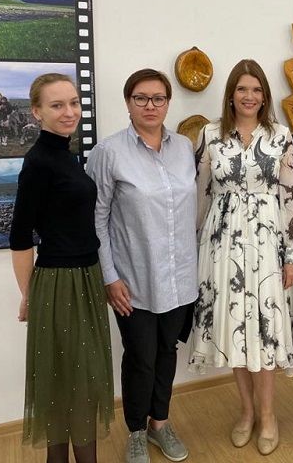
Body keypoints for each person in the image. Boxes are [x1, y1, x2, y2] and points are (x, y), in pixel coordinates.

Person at [188, 59, 293, 456]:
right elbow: (201, 194)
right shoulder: (210, 134)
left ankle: (268, 415)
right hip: (221, 245)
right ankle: (247, 411)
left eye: (256, 90)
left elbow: (291, 197)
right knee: (235, 323)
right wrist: (193, 247)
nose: (249, 96)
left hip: (268, 243)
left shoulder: (281, 135)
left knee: (264, 328)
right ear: (231, 94)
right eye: (242, 89)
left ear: (264, 96)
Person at [87, 69, 196, 463]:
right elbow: (96, 219)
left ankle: (159, 424)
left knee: (167, 351)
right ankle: (135, 430)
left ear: (168, 103)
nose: (150, 106)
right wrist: (109, 276)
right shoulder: (108, 152)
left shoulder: (184, 146)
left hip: (181, 276)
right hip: (133, 279)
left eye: (158, 98)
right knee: (140, 357)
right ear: (128, 102)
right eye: (141, 98)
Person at [9, 73, 113, 463]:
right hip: (60, 282)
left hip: (85, 277)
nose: (69, 112)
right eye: (57, 105)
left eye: (74, 103)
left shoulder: (64, 154)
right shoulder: (38, 161)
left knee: (74, 382)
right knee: (72, 384)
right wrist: (29, 295)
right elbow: (20, 236)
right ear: (37, 112)